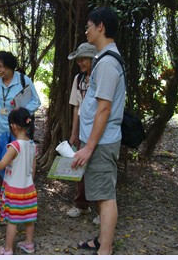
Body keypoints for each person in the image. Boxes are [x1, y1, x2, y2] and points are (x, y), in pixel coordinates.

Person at [71, 7, 126, 255]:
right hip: (100, 141)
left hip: (102, 143)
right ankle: (103, 241)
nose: (86, 31)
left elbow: (104, 109)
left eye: (89, 26)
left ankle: (105, 250)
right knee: (102, 194)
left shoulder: (106, 64)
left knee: (105, 197)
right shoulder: (105, 59)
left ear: (100, 26)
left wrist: (89, 147)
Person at [0, 107, 37, 255]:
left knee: (12, 220)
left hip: (14, 190)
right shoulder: (32, 145)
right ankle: (29, 244)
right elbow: (32, 171)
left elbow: (0, 165)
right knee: (29, 218)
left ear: (13, 126)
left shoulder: (15, 146)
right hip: (29, 188)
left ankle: (8, 249)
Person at [0, 51, 42, 182]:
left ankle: (19, 191)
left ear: (10, 66)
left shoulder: (23, 80)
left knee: (19, 163)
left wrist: (21, 112)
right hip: (0, 131)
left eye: (1, 66)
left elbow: (36, 101)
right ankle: (4, 193)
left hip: (19, 132)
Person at [67, 42, 100, 225]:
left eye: (83, 59)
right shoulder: (78, 79)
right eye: (78, 60)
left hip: (100, 131)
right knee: (79, 167)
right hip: (83, 132)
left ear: (93, 59)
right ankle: (82, 204)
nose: (80, 63)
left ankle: (102, 209)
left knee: (99, 169)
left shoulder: (100, 77)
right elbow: (76, 108)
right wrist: (74, 132)